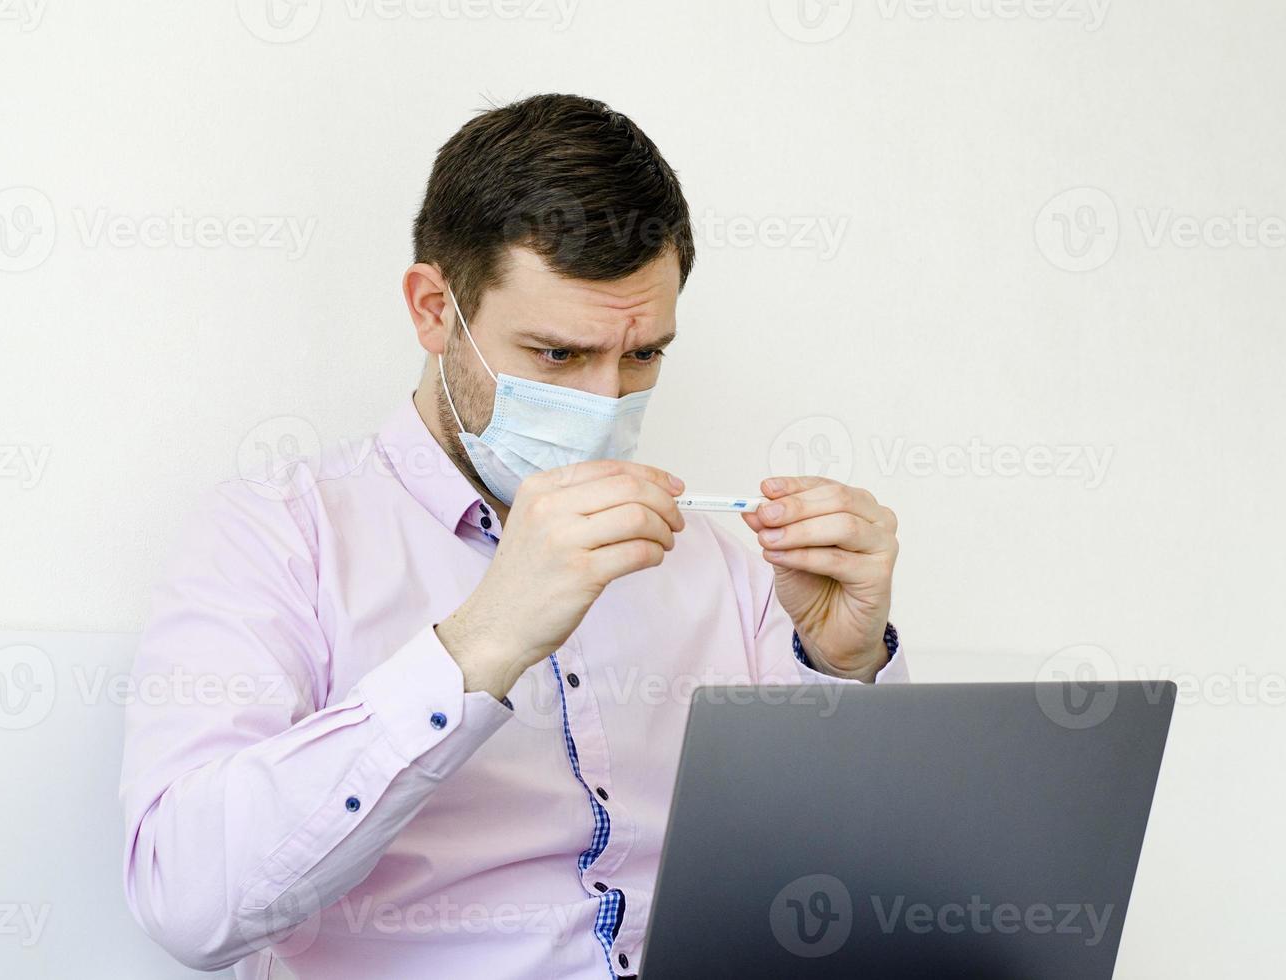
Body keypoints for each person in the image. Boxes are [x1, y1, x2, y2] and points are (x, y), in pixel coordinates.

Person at [120, 92, 905, 979]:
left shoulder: (726, 562)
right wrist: (479, 644)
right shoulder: (278, 537)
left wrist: (846, 673)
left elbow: (838, 901)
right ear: (433, 310)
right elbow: (186, 905)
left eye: (643, 355)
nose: (606, 404)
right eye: (557, 356)